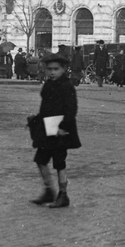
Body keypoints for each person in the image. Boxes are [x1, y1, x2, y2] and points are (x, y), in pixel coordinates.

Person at [28, 53, 81, 209]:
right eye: (49, 69)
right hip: (47, 127)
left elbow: (72, 110)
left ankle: (63, 195)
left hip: (60, 130)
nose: (52, 72)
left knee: (59, 163)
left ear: (64, 69)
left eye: (56, 69)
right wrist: (36, 119)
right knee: (40, 160)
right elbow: (46, 107)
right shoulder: (48, 84)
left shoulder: (67, 86)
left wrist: (62, 128)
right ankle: (49, 190)